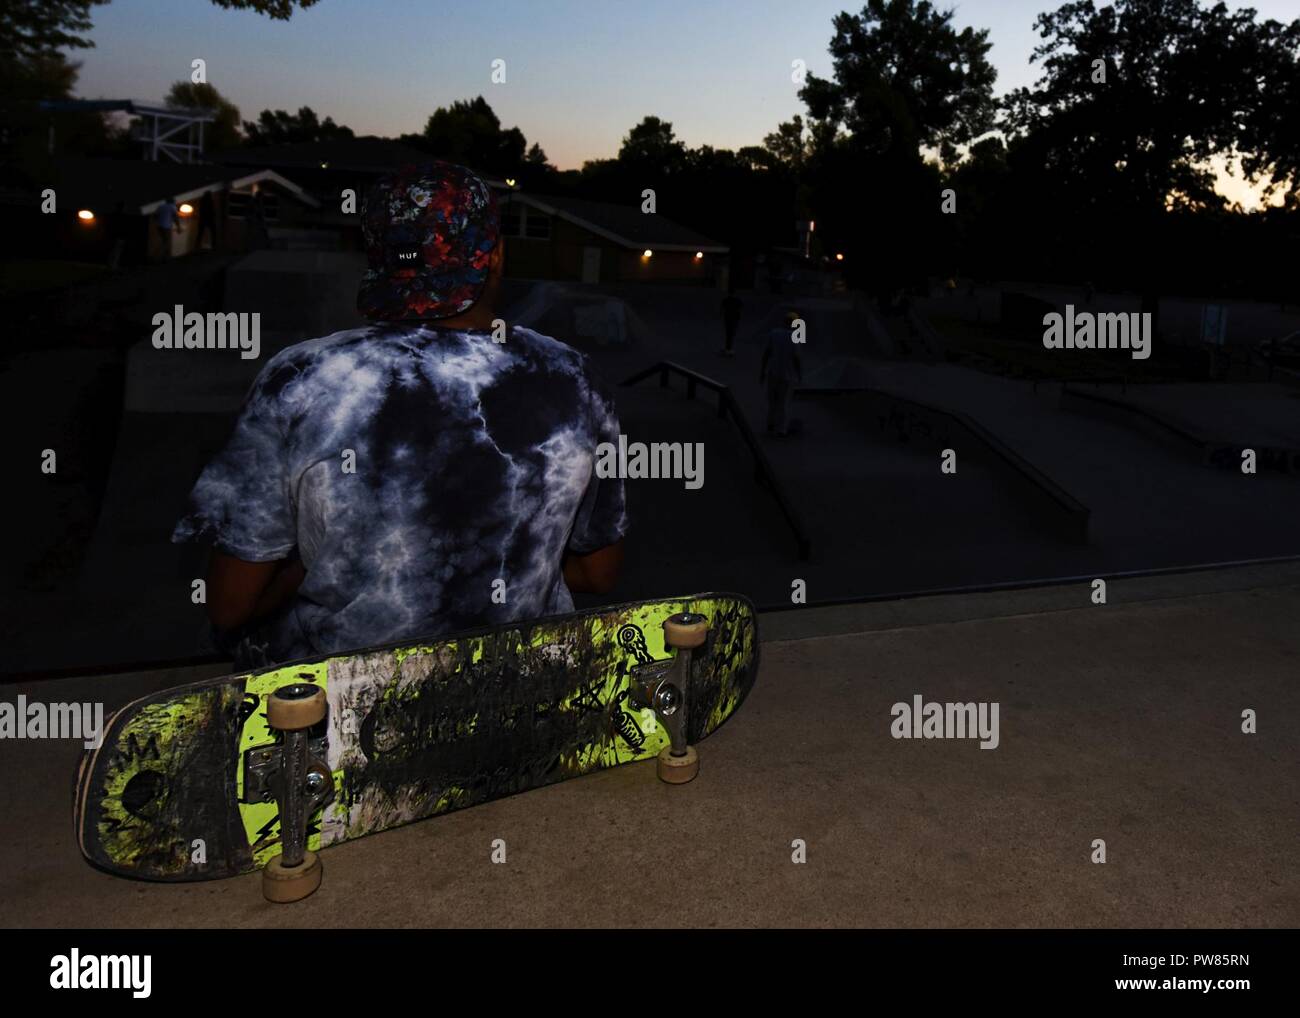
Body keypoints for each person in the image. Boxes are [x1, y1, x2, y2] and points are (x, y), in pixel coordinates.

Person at [172, 161, 628, 668]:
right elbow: (598, 573)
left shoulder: (302, 377)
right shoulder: (577, 377)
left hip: (345, 700)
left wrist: (315, 561)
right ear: (495, 255)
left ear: (378, 257)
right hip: (517, 679)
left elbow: (230, 606)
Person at [760, 309, 803, 437]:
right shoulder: (794, 338)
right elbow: (796, 359)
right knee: (783, 402)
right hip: (787, 375)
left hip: (772, 372)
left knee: (772, 399)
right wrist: (799, 374)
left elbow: (767, 353)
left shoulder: (774, 333)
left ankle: (770, 423)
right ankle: (781, 429)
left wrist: (762, 371)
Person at [720, 289, 742, 356]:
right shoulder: (737, 300)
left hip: (728, 318)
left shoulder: (726, 300)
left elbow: (722, 308)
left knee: (729, 333)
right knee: (731, 333)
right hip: (734, 318)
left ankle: (728, 348)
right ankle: (729, 348)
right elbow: (740, 308)